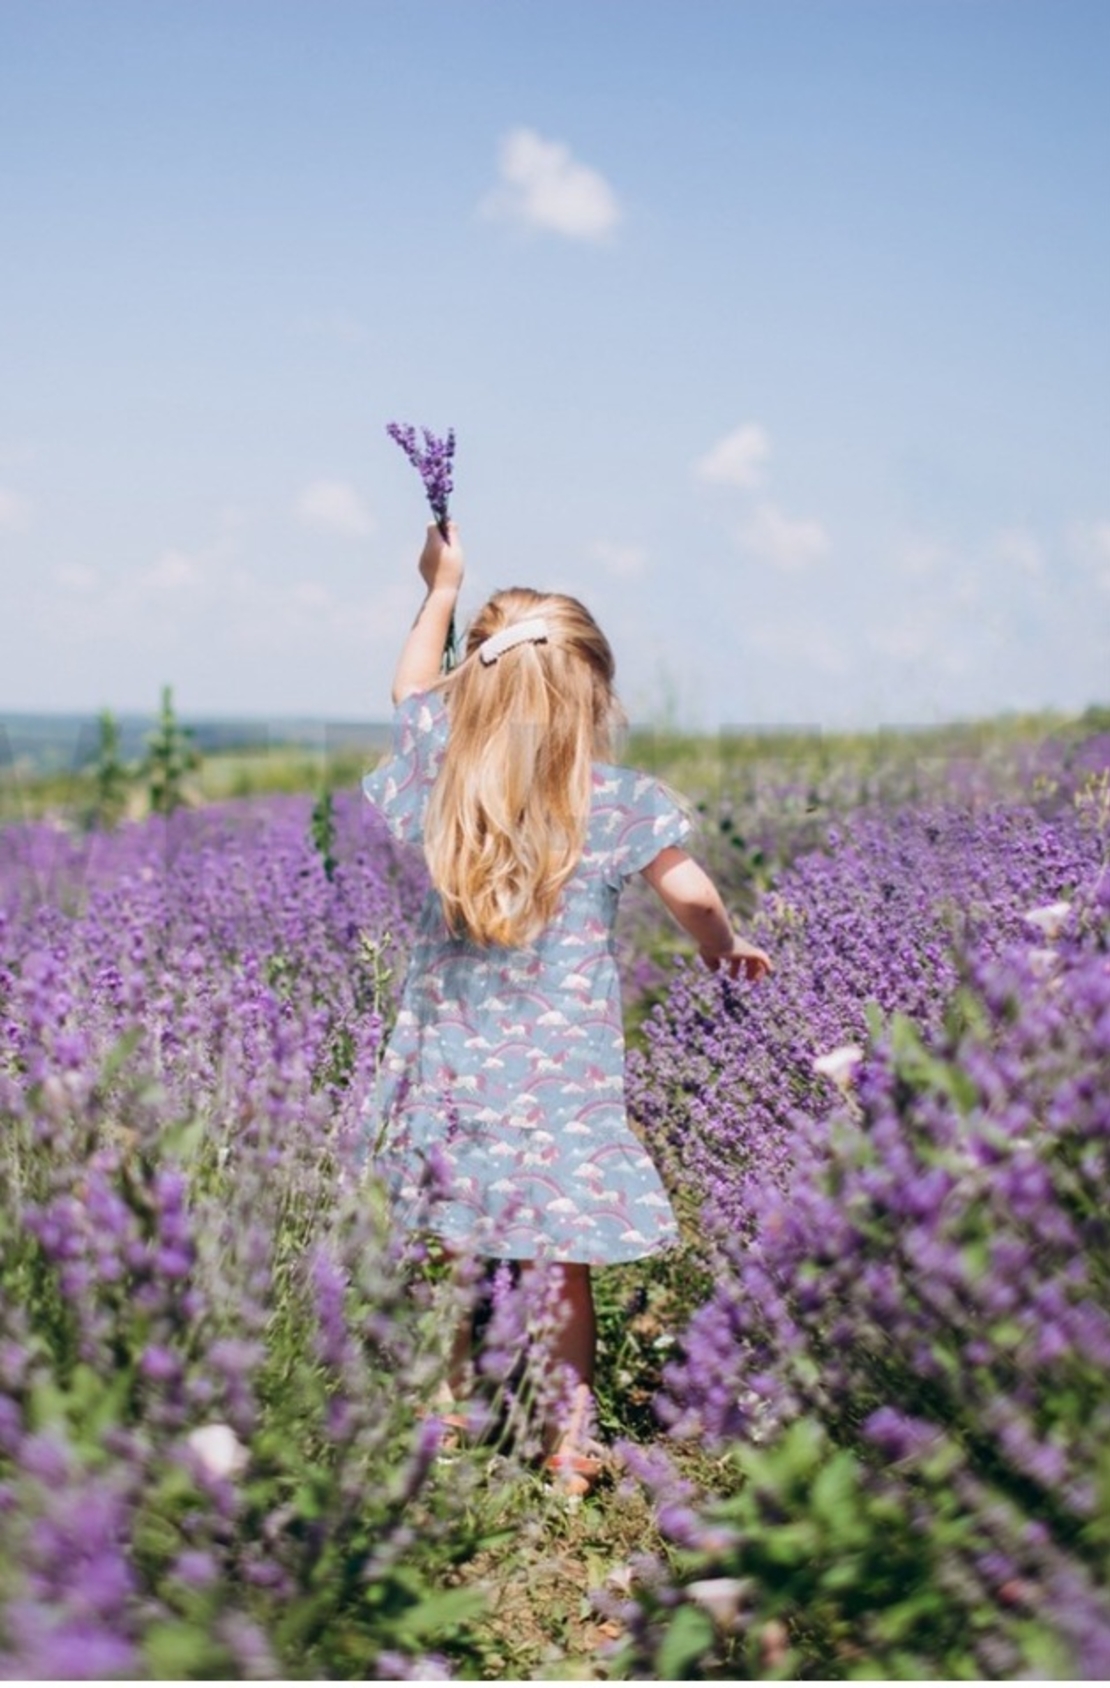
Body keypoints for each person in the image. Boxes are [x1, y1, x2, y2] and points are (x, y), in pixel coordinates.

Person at [362, 523, 772, 1495]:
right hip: (567, 1088)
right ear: (595, 693)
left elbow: (409, 693)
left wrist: (439, 589)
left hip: (454, 1075)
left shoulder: (445, 782)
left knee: (462, 1248)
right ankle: (570, 1445)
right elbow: (695, 894)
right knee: (562, 1270)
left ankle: (453, 1410)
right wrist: (725, 947)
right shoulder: (616, 801)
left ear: (478, 687)